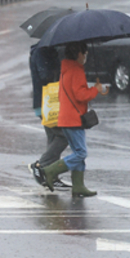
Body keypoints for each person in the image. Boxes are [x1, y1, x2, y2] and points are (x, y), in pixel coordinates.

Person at [42, 41, 108, 197]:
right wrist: (95, 90)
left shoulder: (65, 70)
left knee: (78, 151)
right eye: (84, 54)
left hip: (66, 117)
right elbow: (81, 95)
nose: (85, 57)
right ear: (78, 54)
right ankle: (50, 171)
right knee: (80, 153)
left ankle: (78, 186)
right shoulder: (77, 71)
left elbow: (64, 94)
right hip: (74, 119)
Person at [27, 42, 70, 190]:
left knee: (53, 138)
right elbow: (45, 74)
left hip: (48, 103)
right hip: (47, 102)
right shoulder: (41, 52)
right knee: (64, 135)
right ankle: (41, 166)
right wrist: (59, 67)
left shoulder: (47, 50)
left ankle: (51, 177)